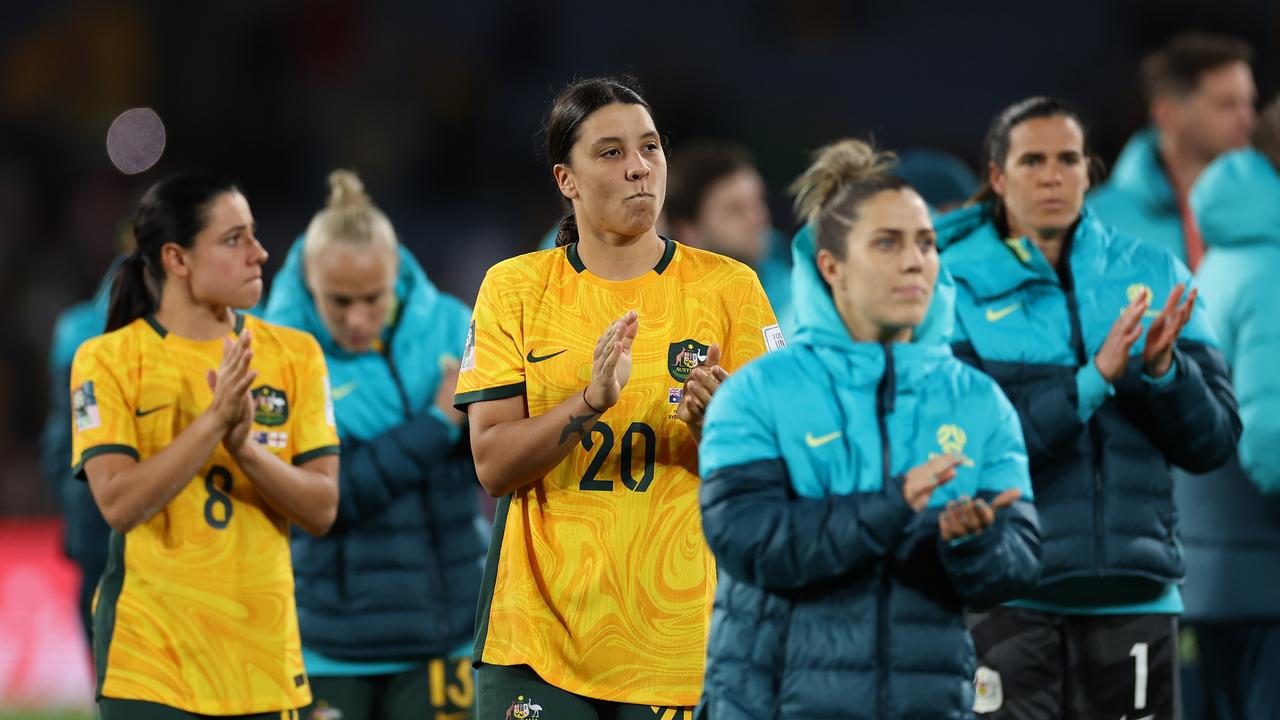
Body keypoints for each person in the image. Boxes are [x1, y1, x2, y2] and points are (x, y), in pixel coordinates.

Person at [454, 76, 783, 719]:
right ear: (566, 180)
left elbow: (782, 469)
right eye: (610, 153)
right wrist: (587, 403)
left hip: (675, 647)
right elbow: (492, 466)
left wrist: (722, 426)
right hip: (536, 638)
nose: (639, 168)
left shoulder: (730, 290)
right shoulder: (514, 288)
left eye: (651, 147)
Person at [696, 139, 1041, 719]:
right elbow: (748, 540)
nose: (915, 261)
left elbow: (1020, 558)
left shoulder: (977, 400)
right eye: (888, 243)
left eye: (926, 243)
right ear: (832, 266)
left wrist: (974, 544)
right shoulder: (758, 393)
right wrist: (892, 505)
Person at [937, 96, 1240, 719]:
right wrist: (1092, 381)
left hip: (1135, 594)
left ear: (1088, 170)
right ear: (998, 177)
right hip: (1009, 593)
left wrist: (1165, 373)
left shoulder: (1156, 271)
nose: (1053, 175)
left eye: (1068, 159)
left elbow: (1213, 442)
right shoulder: (951, 284)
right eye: (1033, 160)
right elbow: (966, 450)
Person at [71, 172, 340, 719]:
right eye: (233, 239)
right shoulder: (107, 360)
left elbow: (321, 508)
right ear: (177, 259)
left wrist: (245, 449)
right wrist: (213, 424)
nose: (259, 253)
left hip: (262, 663)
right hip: (150, 665)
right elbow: (120, 504)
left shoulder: (295, 356)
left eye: (254, 235)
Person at [264, 170, 485, 720]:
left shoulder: (456, 325)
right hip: (329, 642)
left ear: (399, 277)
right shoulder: (279, 357)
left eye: (373, 298)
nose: (357, 318)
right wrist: (437, 422)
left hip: (445, 629)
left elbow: (490, 461)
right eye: (338, 302)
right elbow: (329, 499)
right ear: (308, 285)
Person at [1176, 97, 1280, 720]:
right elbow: (1270, 447)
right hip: (1263, 591)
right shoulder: (1273, 269)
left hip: (1213, 578)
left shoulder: (1231, 252)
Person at [1090, 32, 1256, 270]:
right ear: (1167, 114)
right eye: (1227, 105)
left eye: (1249, 103)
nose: (1247, 119)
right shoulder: (1098, 222)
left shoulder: (1265, 209)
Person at [40, 255, 121, 648]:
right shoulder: (165, 332)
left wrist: (72, 505)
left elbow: (58, 444)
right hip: (140, 532)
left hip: (90, 526)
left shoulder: (76, 331)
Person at [664, 140, 794, 334]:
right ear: (687, 230)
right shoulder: (666, 323)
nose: (757, 219)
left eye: (757, 201)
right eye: (735, 210)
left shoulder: (801, 294)